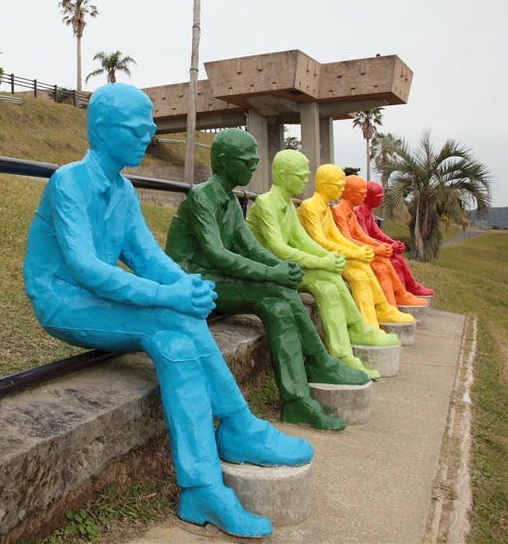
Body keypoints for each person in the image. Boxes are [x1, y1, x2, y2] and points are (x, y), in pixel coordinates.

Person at [23, 84, 312, 539]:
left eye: (151, 127)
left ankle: (201, 489)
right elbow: (86, 268)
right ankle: (238, 428)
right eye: (138, 128)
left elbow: (148, 257)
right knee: (170, 316)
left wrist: (185, 285)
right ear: (103, 129)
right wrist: (170, 297)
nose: (149, 135)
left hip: (99, 298)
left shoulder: (123, 190)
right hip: (62, 299)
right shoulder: (69, 182)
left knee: (175, 340)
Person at [164, 129, 368, 431]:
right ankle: (319, 362)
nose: (254, 166)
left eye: (255, 161)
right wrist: (274, 273)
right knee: (274, 288)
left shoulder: (230, 200)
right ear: (224, 161)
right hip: (192, 279)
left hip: (214, 277)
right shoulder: (201, 196)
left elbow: (250, 247)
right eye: (247, 161)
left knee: (278, 306)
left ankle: (297, 400)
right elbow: (217, 254)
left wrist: (281, 266)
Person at [245, 151, 398, 379]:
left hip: (285, 269)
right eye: (301, 175)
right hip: (269, 272)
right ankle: (352, 337)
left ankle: (344, 352)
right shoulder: (266, 202)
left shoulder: (287, 204)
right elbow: (279, 248)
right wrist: (322, 260)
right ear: (284, 175)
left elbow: (302, 241)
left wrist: (328, 258)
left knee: (328, 285)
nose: (307, 179)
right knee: (327, 277)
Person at [296, 165, 416, 331]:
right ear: (324, 185)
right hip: (320, 259)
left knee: (362, 268)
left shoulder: (325, 208)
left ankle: (379, 311)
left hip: (330, 255)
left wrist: (362, 251)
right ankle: (368, 324)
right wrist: (356, 252)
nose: (342, 189)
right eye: (339, 185)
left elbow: (337, 237)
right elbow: (320, 241)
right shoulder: (310, 206)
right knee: (360, 274)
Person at [332, 175, 428, 308]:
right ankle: (397, 297)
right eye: (362, 193)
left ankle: (396, 300)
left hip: (360, 251)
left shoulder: (351, 212)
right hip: (350, 254)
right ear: (348, 193)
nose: (364, 196)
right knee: (385, 262)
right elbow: (347, 240)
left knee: (384, 263)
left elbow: (364, 235)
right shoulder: (339, 211)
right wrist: (379, 249)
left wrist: (386, 245)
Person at [354, 181, 434, 296]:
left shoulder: (368, 212)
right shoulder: (359, 212)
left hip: (374, 248)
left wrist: (393, 243)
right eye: (378, 197)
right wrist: (390, 246)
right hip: (366, 250)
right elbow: (364, 238)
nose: (381, 200)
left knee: (396, 257)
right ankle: (404, 290)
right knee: (394, 259)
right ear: (367, 196)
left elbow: (377, 233)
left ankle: (408, 287)